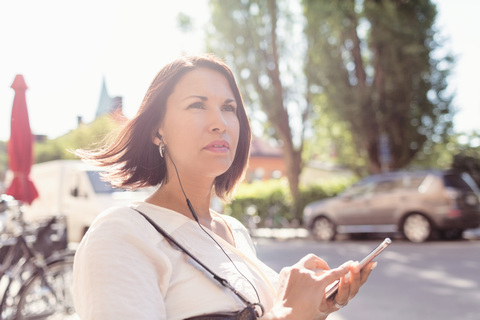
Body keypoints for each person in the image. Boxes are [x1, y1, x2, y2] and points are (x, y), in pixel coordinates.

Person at [72, 54, 376, 320]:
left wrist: (310, 305)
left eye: (229, 108)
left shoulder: (235, 232)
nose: (220, 122)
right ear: (156, 130)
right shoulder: (121, 235)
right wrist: (288, 314)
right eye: (197, 105)